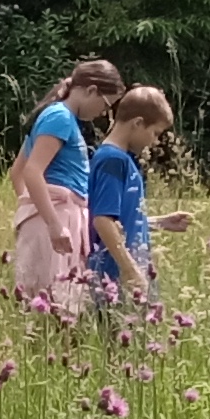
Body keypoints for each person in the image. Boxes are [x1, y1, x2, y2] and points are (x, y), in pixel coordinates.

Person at [11, 58, 122, 305]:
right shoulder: (59, 118)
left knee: (59, 301)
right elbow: (31, 172)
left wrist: (29, 209)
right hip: (58, 216)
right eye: (105, 105)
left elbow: (16, 171)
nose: (103, 114)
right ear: (91, 90)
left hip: (58, 215)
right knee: (55, 303)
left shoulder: (59, 117)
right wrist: (50, 222)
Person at [87, 84, 170, 310]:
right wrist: (131, 270)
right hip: (115, 278)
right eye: (155, 133)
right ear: (137, 123)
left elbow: (119, 218)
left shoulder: (123, 160)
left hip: (128, 272)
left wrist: (162, 222)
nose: (154, 141)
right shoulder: (112, 161)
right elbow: (102, 220)